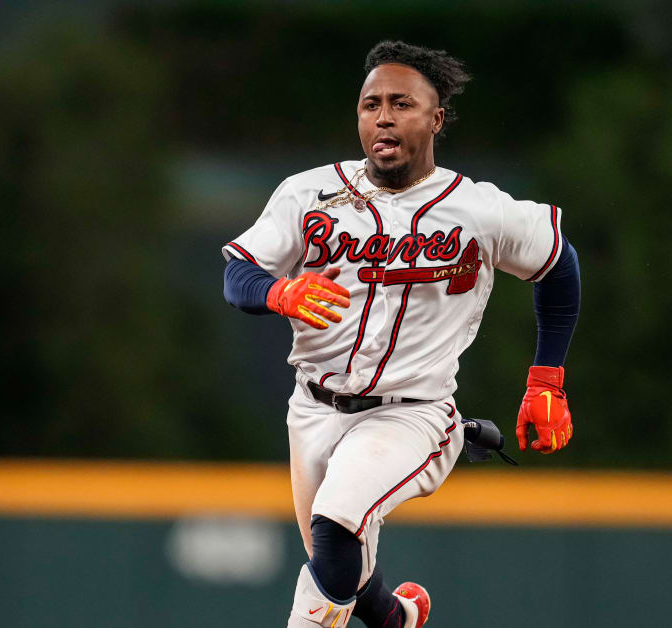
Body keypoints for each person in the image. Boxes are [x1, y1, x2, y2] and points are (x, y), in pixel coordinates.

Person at [221, 40, 581, 628]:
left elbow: (558, 264)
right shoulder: (308, 192)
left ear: (436, 119)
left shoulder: (477, 209)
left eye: (401, 103)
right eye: (370, 104)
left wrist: (547, 377)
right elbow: (238, 273)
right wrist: (278, 292)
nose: (382, 116)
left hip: (411, 413)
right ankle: (398, 618)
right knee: (341, 565)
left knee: (336, 532)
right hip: (312, 407)